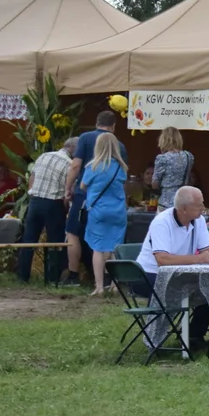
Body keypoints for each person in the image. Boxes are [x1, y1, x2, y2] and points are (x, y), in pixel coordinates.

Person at [135, 186, 209, 350]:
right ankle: (156, 337)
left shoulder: (199, 220)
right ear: (184, 209)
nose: (203, 208)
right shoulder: (161, 222)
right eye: (198, 205)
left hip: (181, 274)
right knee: (188, 288)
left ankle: (194, 335)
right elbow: (162, 260)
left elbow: (206, 251)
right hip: (150, 274)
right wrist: (199, 258)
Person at [65, 111, 126, 286]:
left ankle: (77, 276)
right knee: (114, 246)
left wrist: (68, 188)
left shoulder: (86, 144)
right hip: (117, 208)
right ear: (113, 126)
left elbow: (77, 167)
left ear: (97, 122)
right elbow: (123, 184)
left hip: (94, 205)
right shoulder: (120, 160)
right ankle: (112, 282)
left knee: (78, 235)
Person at [17, 137, 78, 284]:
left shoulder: (44, 156)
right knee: (55, 243)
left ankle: (22, 276)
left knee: (29, 240)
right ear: (74, 150)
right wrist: (65, 208)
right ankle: (52, 278)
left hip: (35, 201)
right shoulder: (70, 165)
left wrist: (34, 193)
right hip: (53, 204)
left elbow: (32, 178)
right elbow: (67, 190)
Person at [80, 133, 128, 296]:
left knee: (98, 248)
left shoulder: (93, 167)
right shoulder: (121, 167)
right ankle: (115, 284)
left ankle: (99, 286)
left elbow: (83, 186)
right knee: (115, 247)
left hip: (99, 211)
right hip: (118, 211)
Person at [152, 127, 194, 213]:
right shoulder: (189, 156)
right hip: (184, 201)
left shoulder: (162, 158)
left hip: (166, 203)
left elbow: (155, 184)